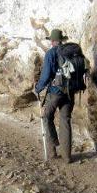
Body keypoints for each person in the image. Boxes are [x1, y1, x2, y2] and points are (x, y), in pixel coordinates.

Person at [34, 29, 81, 163]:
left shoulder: (51, 53)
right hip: (70, 92)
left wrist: (38, 88)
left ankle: (52, 152)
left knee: (46, 117)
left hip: (55, 92)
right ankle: (67, 157)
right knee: (65, 120)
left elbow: (46, 75)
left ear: (53, 41)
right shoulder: (71, 52)